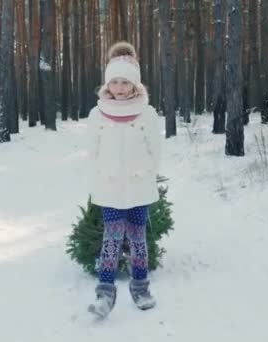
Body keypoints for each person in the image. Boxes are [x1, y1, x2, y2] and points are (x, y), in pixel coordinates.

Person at [86, 41, 161, 319]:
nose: (119, 87)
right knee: (112, 239)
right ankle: (105, 293)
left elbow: (155, 150)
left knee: (138, 239)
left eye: (125, 82)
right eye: (114, 82)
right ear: (107, 85)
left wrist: (145, 174)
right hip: (110, 188)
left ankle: (140, 287)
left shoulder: (147, 113)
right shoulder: (98, 115)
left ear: (135, 85)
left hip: (139, 188)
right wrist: (100, 181)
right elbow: (91, 152)